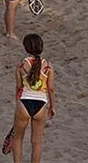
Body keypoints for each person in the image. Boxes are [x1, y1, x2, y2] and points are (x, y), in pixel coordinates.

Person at [9, 33, 55, 163]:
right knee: (36, 142)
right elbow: (51, 88)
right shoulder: (48, 66)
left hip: (24, 102)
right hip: (41, 104)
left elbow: (19, 87)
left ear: (26, 47)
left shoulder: (21, 65)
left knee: (18, 139)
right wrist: (52, 106)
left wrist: (17, 104)